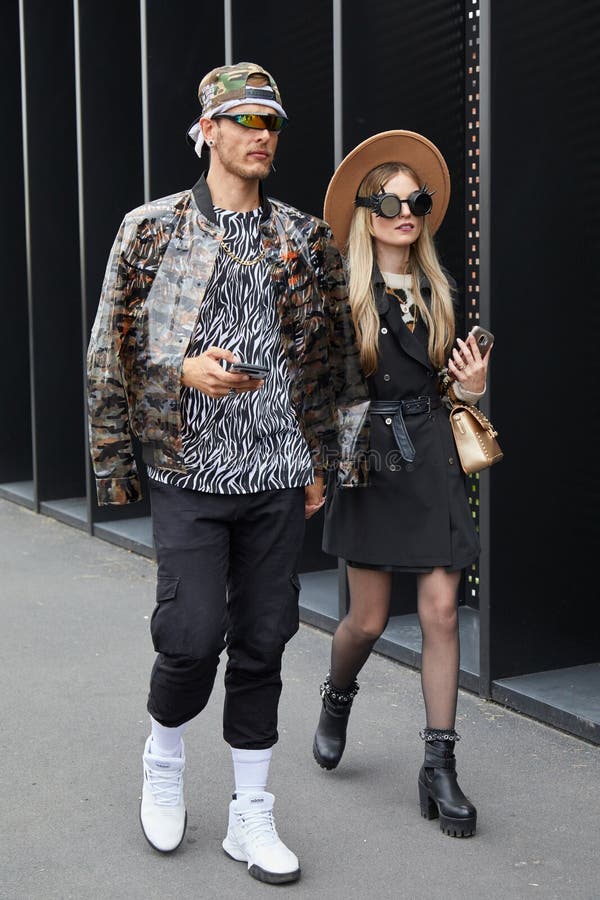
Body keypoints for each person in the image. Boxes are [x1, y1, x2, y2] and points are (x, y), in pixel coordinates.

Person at [86, 62, 369, 883]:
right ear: (207, 129)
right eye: (244, 120)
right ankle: (164, 757)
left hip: (277, 473)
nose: (260, 136)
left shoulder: (302, 237)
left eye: (271, 123)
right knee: (190, 634)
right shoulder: (152, 229)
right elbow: (113, 352)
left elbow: (332, 364)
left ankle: (252, 812)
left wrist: (327, 461)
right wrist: (182, 375)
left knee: (263, 639)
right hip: (189, 471)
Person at [312, 130, 492, 839]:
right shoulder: (340, 294)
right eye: (389, 198)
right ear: (365, 211)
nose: (405, 209)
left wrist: (474, 392)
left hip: (432, 457)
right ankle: (337, 694)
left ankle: (439, 766)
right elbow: (319, 391)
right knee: (367, 620)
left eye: (415, 198)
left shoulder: (438, 291)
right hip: (367, 460)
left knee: (443, 611)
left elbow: (457, 394)